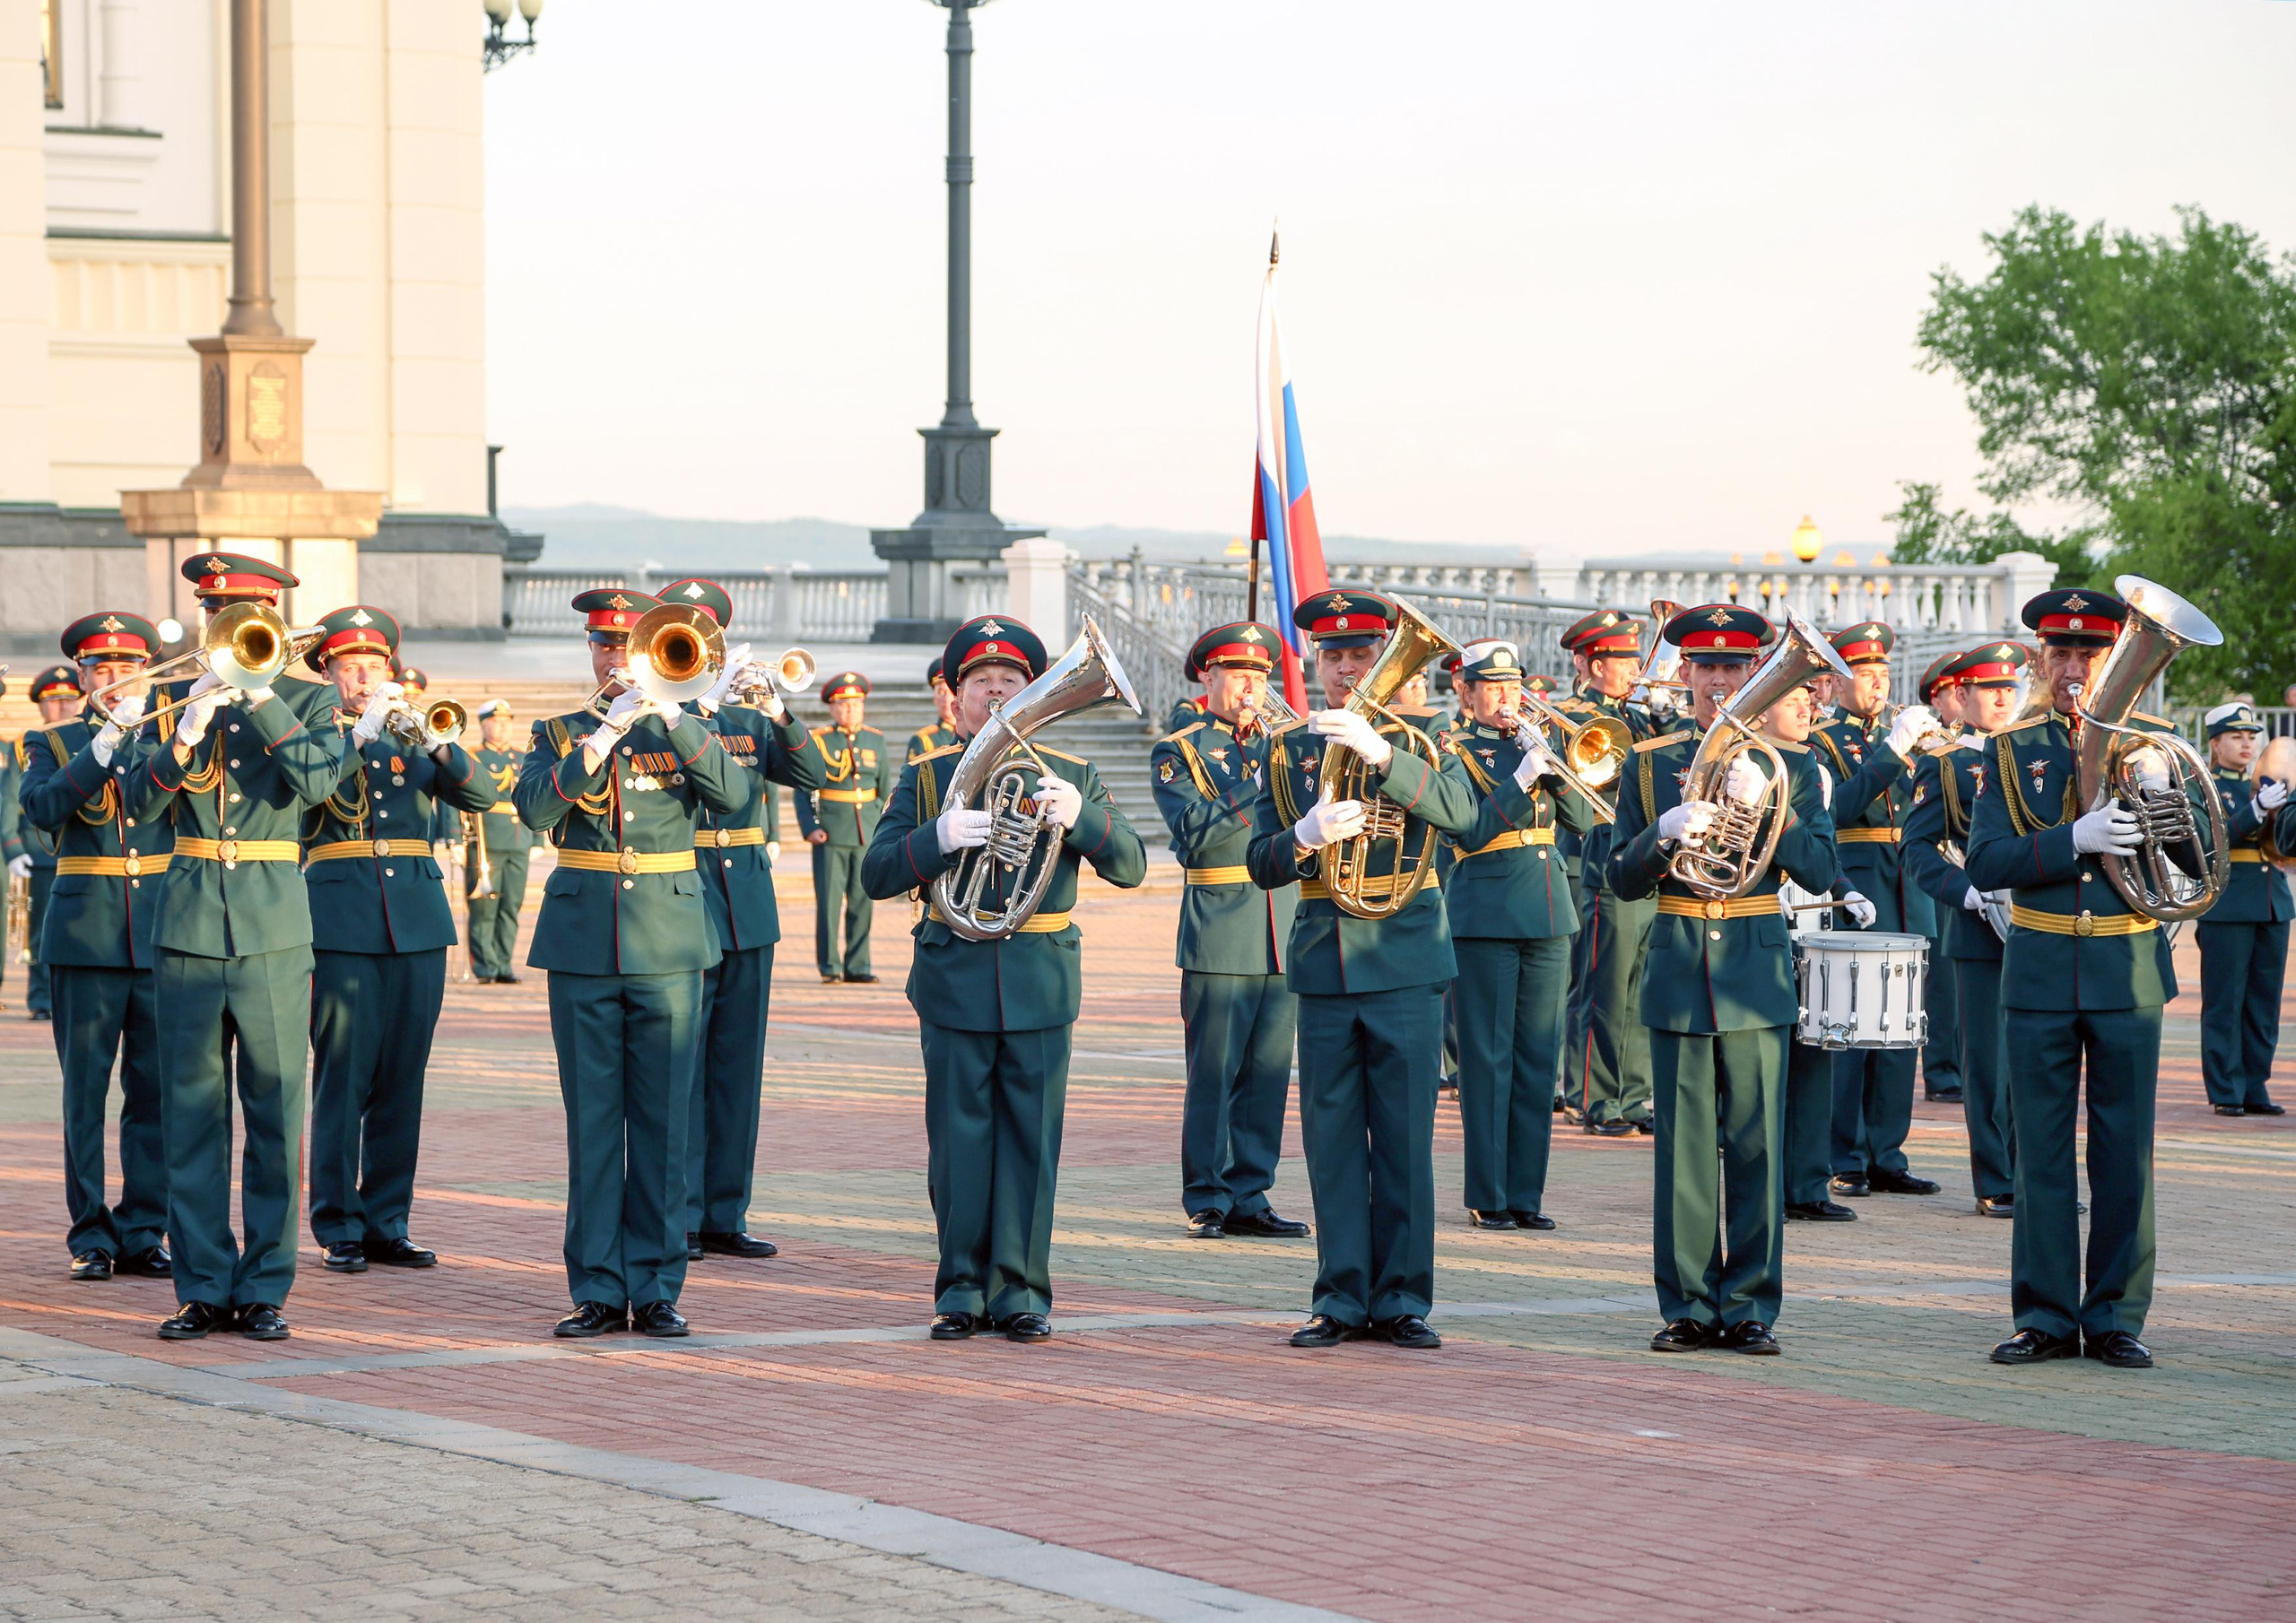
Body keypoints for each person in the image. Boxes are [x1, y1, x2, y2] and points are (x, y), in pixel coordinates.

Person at [862, 614, 1146, 1341]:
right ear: (954, 700)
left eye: (1011, 685)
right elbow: (876, 873)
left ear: (1036, 695)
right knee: (958, 1144)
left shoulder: (1070, 775)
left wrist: (1082, 820)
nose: (995, 697)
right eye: (981, 685)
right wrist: (937, 838)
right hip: (954, 978)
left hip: (1040, 979)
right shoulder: (927, 779)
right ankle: (959, 1287)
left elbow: (1132, 866)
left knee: (1030, 1142)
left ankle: (1020, 1291)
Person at [1246, 589, 1479, 1351]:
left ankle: (1404, 1298)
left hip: (1407, 960)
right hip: (1324, 965)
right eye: (1334, 655)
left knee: (1406, 1140)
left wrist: (1385, 757)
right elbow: (1259, 862)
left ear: (1384, 660)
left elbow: (1470, 819)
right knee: (1333, 1140)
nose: (1348, 668)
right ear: (1315, 664)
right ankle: (1340, 1296)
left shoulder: (1423, 741)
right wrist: (1304, 837)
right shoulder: (1288, 750)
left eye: (1361, 654)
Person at [515, 587, 748, 1340]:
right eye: (604, 646)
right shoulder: (559, 731)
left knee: (662, 1123)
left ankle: (653, 1287)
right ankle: (594, 1286)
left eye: (628, 645)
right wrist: (601, 737)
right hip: (584, 943)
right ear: (590, 652)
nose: (617, 658)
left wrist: (671, 715)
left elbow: (734, 795)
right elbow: (536, 812)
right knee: (592, 1123)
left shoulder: (689, 728)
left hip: (670, 941)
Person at [1607, 604, 1838, 1356]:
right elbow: (1618, 877)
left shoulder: (1793, 764)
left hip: (1754, 964)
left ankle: (1750, 1309)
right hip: (1679, 961)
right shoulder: (1649, 762)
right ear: (1684, 673)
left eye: (1734, 668)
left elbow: (1824, 871)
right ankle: (1687, 1306)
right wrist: (1663, 832)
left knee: (1756, 1148)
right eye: (1705, 667)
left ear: (1756, 677)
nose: (1718, 681)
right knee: (1683, 1153)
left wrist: (1766, 803)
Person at [140, 552, 347, 1341]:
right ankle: (199, 1284)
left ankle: (263, 1285)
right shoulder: (169, 700)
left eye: (240, 612)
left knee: (273, 1112)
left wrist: (260, 699)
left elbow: (321, 784)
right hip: (190, 920)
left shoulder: (306, 696)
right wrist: (184, 732)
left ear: (271, 619)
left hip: (271, 925)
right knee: (191, 1113)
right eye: (214, 610)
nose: (224, 624)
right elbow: (137, 803)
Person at [1966, 587, 2171, 1369]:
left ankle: (2117, 1315)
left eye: (2091, 654)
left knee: (2125, 1153)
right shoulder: (2010, 750)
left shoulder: (2152, 744)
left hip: (2127, 967)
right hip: (2043, 967)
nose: (2077, 668)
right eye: (2063, 654)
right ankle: (2047, 1315)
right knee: (2042, 1155)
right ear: (2041, 662)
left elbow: (2192, 868)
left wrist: (2157, 802)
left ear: (2115, 659)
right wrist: (2071, 838)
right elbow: (1986, 862)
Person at [298, 607, 495, 1274]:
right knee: (342, 1075)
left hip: (413, 918)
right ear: (325, 673)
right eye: (349, 667)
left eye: (373, 667)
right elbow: (300, 803)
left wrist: (438, 743)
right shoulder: (308, 732)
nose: (362, 678)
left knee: (402, 1077)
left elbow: (484, 795)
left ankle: (388, 1219)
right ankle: (337, 1223)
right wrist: (357, 737)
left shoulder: (414, 733)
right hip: (341, 918)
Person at [654, 577, 826, 1263]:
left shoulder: (751, 718)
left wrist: (780, 712)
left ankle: (727, 1211)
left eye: (708, 637)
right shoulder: (658, 710)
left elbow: (811, 774)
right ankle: (685, 1216)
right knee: (684, 1067)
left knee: (737, 1068)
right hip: (686, 895)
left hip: (747, 902)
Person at [19, 612, 173, 1283]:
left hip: (162, 932)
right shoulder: (51, 740)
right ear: (81, 678)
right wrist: (103, 745)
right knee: (85, 1094)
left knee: (155, 1094)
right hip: (85, 937)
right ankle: (90, 1234)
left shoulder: (176, 738)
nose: (115, 681)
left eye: (127, 669)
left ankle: (145, 1229)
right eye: (101, 670)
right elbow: (45, 809)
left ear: (146, 671)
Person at [1151, 621, 1307, 1242]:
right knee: (1214, 1073)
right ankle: (1206, 1196)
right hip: (1220, 927)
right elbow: (1193, 833)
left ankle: (1251, 1192)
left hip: (1285, 924)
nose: (1251, 686)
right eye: (1238, 674)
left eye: (1260, 675)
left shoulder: (1287, 742)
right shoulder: (1179, 750)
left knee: (1269, 1075)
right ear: (1207, 677)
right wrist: (1257, 777)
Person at [1439, 642, 1592, 1229]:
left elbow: (1584, 822)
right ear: (1467, 692)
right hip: (1486, 912)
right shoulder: (1453, 751)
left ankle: (1526, 1195)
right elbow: (1469, 831)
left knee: (1537, 1058)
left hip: (1549, 909)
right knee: (1487, 1058)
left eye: (1513, 684)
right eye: (1493, 686)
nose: (1507, 696)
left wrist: (1556, 768)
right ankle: (1488, 1193)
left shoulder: (1536, 744)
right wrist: (1520, 780)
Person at [1811, 622, 1944, 1200]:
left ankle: (1888, 1152)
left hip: (1909, 886)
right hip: (1859, 880)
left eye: (1883, 674)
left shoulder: (1906, 737)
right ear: (1838, 682)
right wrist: (1892, 753)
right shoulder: (1823, 741)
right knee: (1855, 1028)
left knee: (1901, 1028)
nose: (1876, 684)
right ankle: (1845, 1154)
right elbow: (1835, 809)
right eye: (1864, 674)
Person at [1903, 641, 2029, 1217]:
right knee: (1989, 1064)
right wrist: (1965, 892)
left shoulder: (2041, 750)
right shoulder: (1947, 762)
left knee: (2040, 1060)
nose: (2003, 698)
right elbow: (1919, 851)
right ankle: (1997, 1181)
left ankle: (2038, 1180)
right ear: (1964, 695)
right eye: (1989, 688)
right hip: (1979, 927)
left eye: (2011, 687)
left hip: (2042, 922)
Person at [1757, 675, 1858, 1224]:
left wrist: (1845, 889)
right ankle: (1768, 1179)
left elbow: (1822, 849)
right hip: (1764, 912)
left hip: (1811, 911)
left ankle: (1809, 1182)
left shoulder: (1810, 765)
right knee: (1768, 1062)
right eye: (1794, 702)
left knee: (1816, 1049)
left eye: (1808, 700)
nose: (1808, 708)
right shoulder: (1735, 759)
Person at [1553, 609, 1657, 1135]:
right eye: (1625, 660)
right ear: (1593, 665)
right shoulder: (1571, 715)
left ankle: (1633, 1097)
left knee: (1638, 987)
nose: (1636, 668)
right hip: (1599, 859)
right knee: (1603, 988)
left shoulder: (1640, 716)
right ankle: (1592, 1096)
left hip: (1643, 860)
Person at [2195, 701, 2289, 1117]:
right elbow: (2212, 840)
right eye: (2236, 737)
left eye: (2252, 737)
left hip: (2272, 904)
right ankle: (2226, 1089)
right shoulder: (2208, 787)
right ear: (2216, 744)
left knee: (2263, 1006)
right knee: (2225, 1003)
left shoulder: (2267, 782)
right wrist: (2256, 811)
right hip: (2229, 904)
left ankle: (2255, 1086)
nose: (2247, 744)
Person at [796, 673, 896, 985]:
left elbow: (884, 790)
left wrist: (883, 828)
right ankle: (829, 966)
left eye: (855, 704)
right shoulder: (820, 740)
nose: (850, 710)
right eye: (843, 704)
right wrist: (810, 826)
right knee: (829, 902)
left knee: (862, 900)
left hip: (865, 831)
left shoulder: (875, 739)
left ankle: (859, 964)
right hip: (831, 831)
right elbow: (803, 786)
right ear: (832, 708)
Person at [1910, 655, 1966, 1105]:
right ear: (1938, 699)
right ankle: (1943, 1067)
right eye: (1954, 692)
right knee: (1943, 979)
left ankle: (1964, 1061)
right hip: (1942, 870)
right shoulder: (1926, 748)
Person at [18, 664, 81, 1020]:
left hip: (82, 847)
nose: (62, 707)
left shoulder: (84, 738)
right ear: (41, 706)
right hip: (41, 849)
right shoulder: (26, 743)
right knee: (41, 928)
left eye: (69, 700)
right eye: (53, 701)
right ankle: (41, 997)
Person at [458, 701, 534, 983]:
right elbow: (456, 801)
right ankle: (485, 967)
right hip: (486, 840)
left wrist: (536, 838)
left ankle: (503, 965)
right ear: (483, 724)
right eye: (495, 721)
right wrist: (455, 838)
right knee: (484, 908)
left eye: (506, 721)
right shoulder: (473, 757)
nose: (502, 726)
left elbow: (532, 799)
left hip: (519, 840)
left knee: (510, 907)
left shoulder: (523, 756)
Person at [909, 656, 961, 761]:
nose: (947, 698)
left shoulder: (976, 733)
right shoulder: (924, 740)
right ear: (934, 698)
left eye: (951, 692)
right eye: (941, 692)